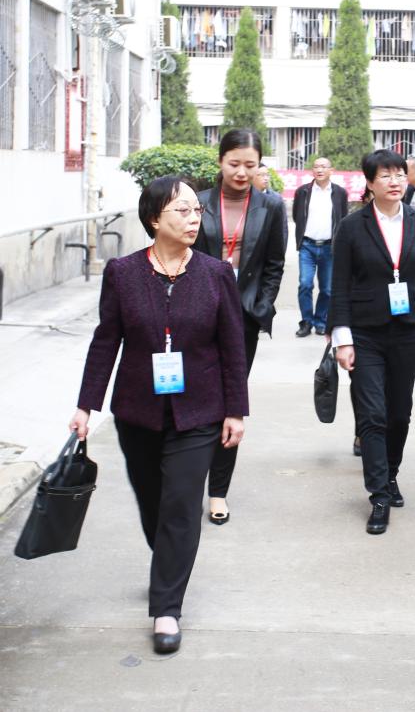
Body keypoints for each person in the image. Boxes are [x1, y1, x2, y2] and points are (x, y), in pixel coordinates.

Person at [70, 176, 248, 654]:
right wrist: (86, 404)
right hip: (138, 412)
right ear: (154, 219)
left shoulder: (216, 274)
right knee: (154, 505)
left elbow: (232, 346)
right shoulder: (123, 273)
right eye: (181, 211)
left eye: (196, 211)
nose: (194, 219)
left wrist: (236, 410)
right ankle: (169, 558)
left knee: (181, 505)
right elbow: (106, 341)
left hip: (200, 411)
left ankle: (166, 607)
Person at [329, 149, 415, 535]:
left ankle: (391, 473)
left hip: (408, 332)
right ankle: (379, 494)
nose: (395, 181)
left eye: (399, 174)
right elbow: (339, 285)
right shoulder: (352, 227)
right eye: (385, 175)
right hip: (364, 333)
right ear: (369, 183)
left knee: (399, 413)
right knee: (372, 415)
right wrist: (342, 339)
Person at [194, 129, 286, 526]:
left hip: (242, 320)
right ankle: (187, 481)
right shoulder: (198, 203)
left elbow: (274, 264)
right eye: (234, 163)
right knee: (195, 400)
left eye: (251, 165)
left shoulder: (271, 206)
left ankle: (218, 491)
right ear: (220, 161)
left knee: (230, 402)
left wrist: (260, 306)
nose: (242, 172)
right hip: (196, 317)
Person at [292, 156, 349, 337]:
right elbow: (297, 216)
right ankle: (306, 322)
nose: (319, 170)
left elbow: (343, 218)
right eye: (316, 166)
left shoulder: (340, 193)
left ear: (331, 170)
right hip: (307, 245)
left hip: (329, 247)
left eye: (323, 167)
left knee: (327, 289)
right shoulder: (303, 191)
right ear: (312, 170)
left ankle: (320, 321)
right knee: (305, 284)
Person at [253, 163, 287, 246]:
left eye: (267, 175)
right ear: (253, 176)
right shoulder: (245, 196)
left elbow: (283, 228)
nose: (266, 178)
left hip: (270, 247)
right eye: (262, 175)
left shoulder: (276, 199)